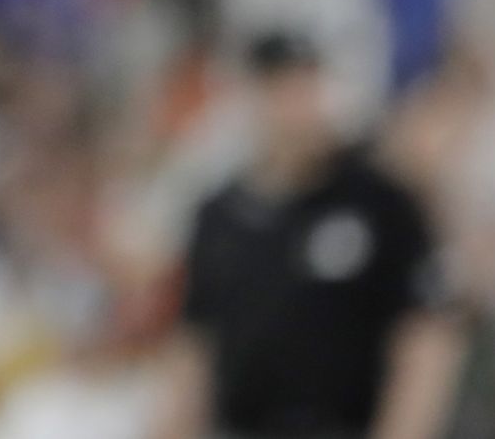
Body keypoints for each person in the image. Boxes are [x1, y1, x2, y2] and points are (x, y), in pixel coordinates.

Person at [155, 32, 462, 439]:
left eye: (307, 87)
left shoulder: (378, 203)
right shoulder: (218, 216)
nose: (297, 106)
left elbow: (427, 339)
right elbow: (194, 348)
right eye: (281, 88)